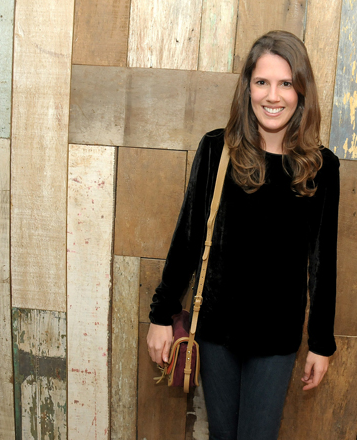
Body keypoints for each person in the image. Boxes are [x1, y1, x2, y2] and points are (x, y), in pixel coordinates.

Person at [147, 30, 340, 440]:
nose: (273, 96)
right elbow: (188, 237)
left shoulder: (321, 168)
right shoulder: (217, 149)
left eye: (285, 83)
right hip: (217, 330)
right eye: (262, 82)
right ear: (247, 87)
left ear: (301, 91)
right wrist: (161, 315)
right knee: (222, 434)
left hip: (277, 337)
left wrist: (321, 343)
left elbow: (323, 263)